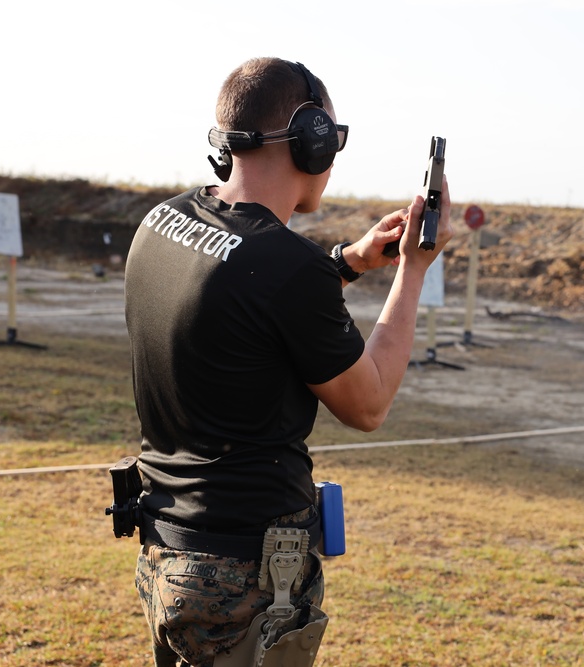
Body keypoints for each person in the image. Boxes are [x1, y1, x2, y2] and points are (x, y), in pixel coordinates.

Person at [123, 56, 453, 667]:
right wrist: (413, 269)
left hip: (168, 548)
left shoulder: (161, 222)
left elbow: (242, 296)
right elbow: (369, 402)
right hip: (244, 575)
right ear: (313, 139)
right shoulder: (285, 269)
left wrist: (349, 261)